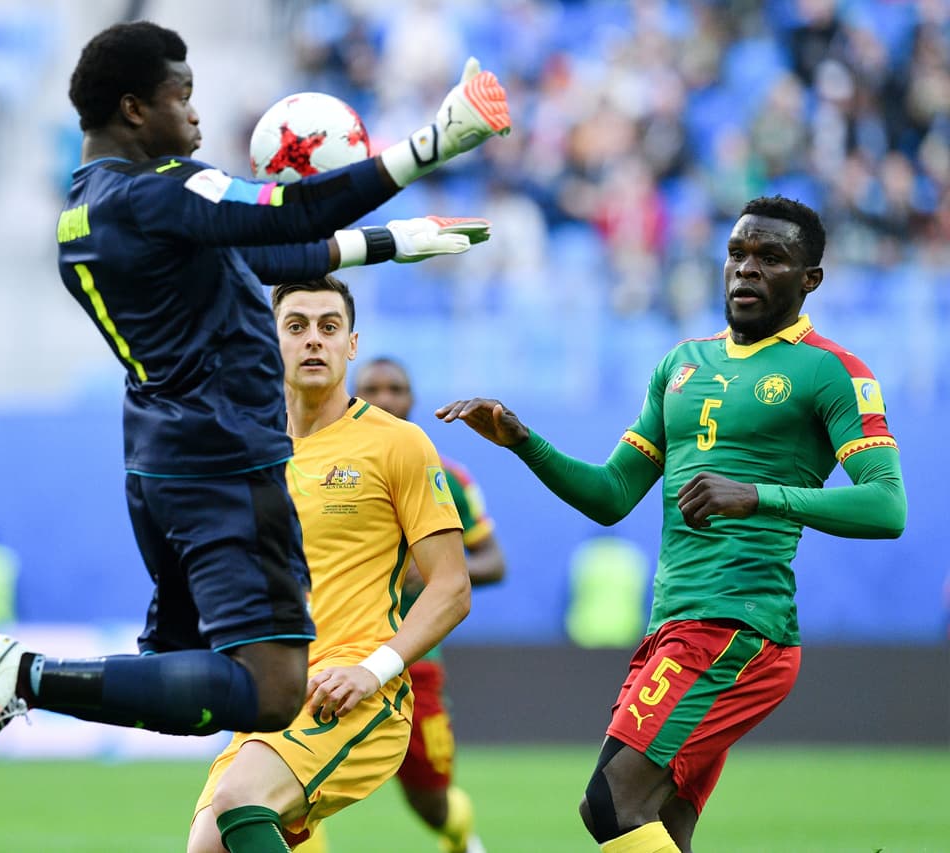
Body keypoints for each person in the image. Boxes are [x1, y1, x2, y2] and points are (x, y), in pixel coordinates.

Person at [0, 20, 510, 800]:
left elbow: (245, 256)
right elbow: (285, 214)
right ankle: (23, 674)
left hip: (161, 466)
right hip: (229, 463)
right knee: (276, 689)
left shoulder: (86, 213)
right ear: (132, 109)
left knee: (200, 682)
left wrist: (390, 242)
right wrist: (433, 143)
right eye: (180, 98)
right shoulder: (164, 189)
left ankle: (25, 680)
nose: (194, 117)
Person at [437, 196, 906, 853]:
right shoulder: (681, 363)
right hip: (675, 624)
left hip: (738, 626)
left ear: (810, 280)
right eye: (737, 253)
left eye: (771, 258)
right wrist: (523, 440)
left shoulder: (831, 371)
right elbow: (611, 494)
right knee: (661, 825)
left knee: (609, 802)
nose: (746, 269)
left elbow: (887, 506)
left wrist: (758, 495)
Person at [188, 276, 471, 853]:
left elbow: (452, 588)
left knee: (240, 802)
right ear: (272, 342)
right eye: (296, 327)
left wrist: (374, 670)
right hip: (272, 694)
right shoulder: (249, 448)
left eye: (328, 327)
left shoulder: (398, 443)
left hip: (354, 690)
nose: (313, 340)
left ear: (351, 343)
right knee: (208, 847)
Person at [345, 356, 507, 853]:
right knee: (287, 787)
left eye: (396, 388)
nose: (386, 398)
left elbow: (493, 562)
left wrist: (437, 571)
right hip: (334, 652)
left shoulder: (445, 477)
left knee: (430, 802)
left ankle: (460, 837)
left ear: (413, 400)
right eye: (372, 388)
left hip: (414, 662)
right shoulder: (320, 466)